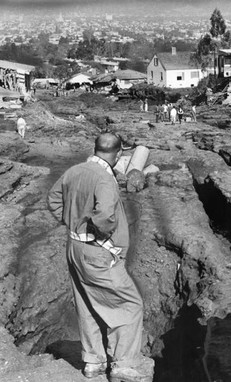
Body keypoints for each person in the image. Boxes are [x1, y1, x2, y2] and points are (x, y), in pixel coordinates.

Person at [47, 133, 152, 381]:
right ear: (117, 155)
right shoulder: (105, 179)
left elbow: (53, 199)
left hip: (74, 247)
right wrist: (97, 234)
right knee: (130, 304)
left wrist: (73, 222)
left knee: (87, 303)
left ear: (95, 149)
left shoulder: (74, 171)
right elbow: (104, 215)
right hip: (97, 252)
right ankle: (123, 366)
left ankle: (93, 362)